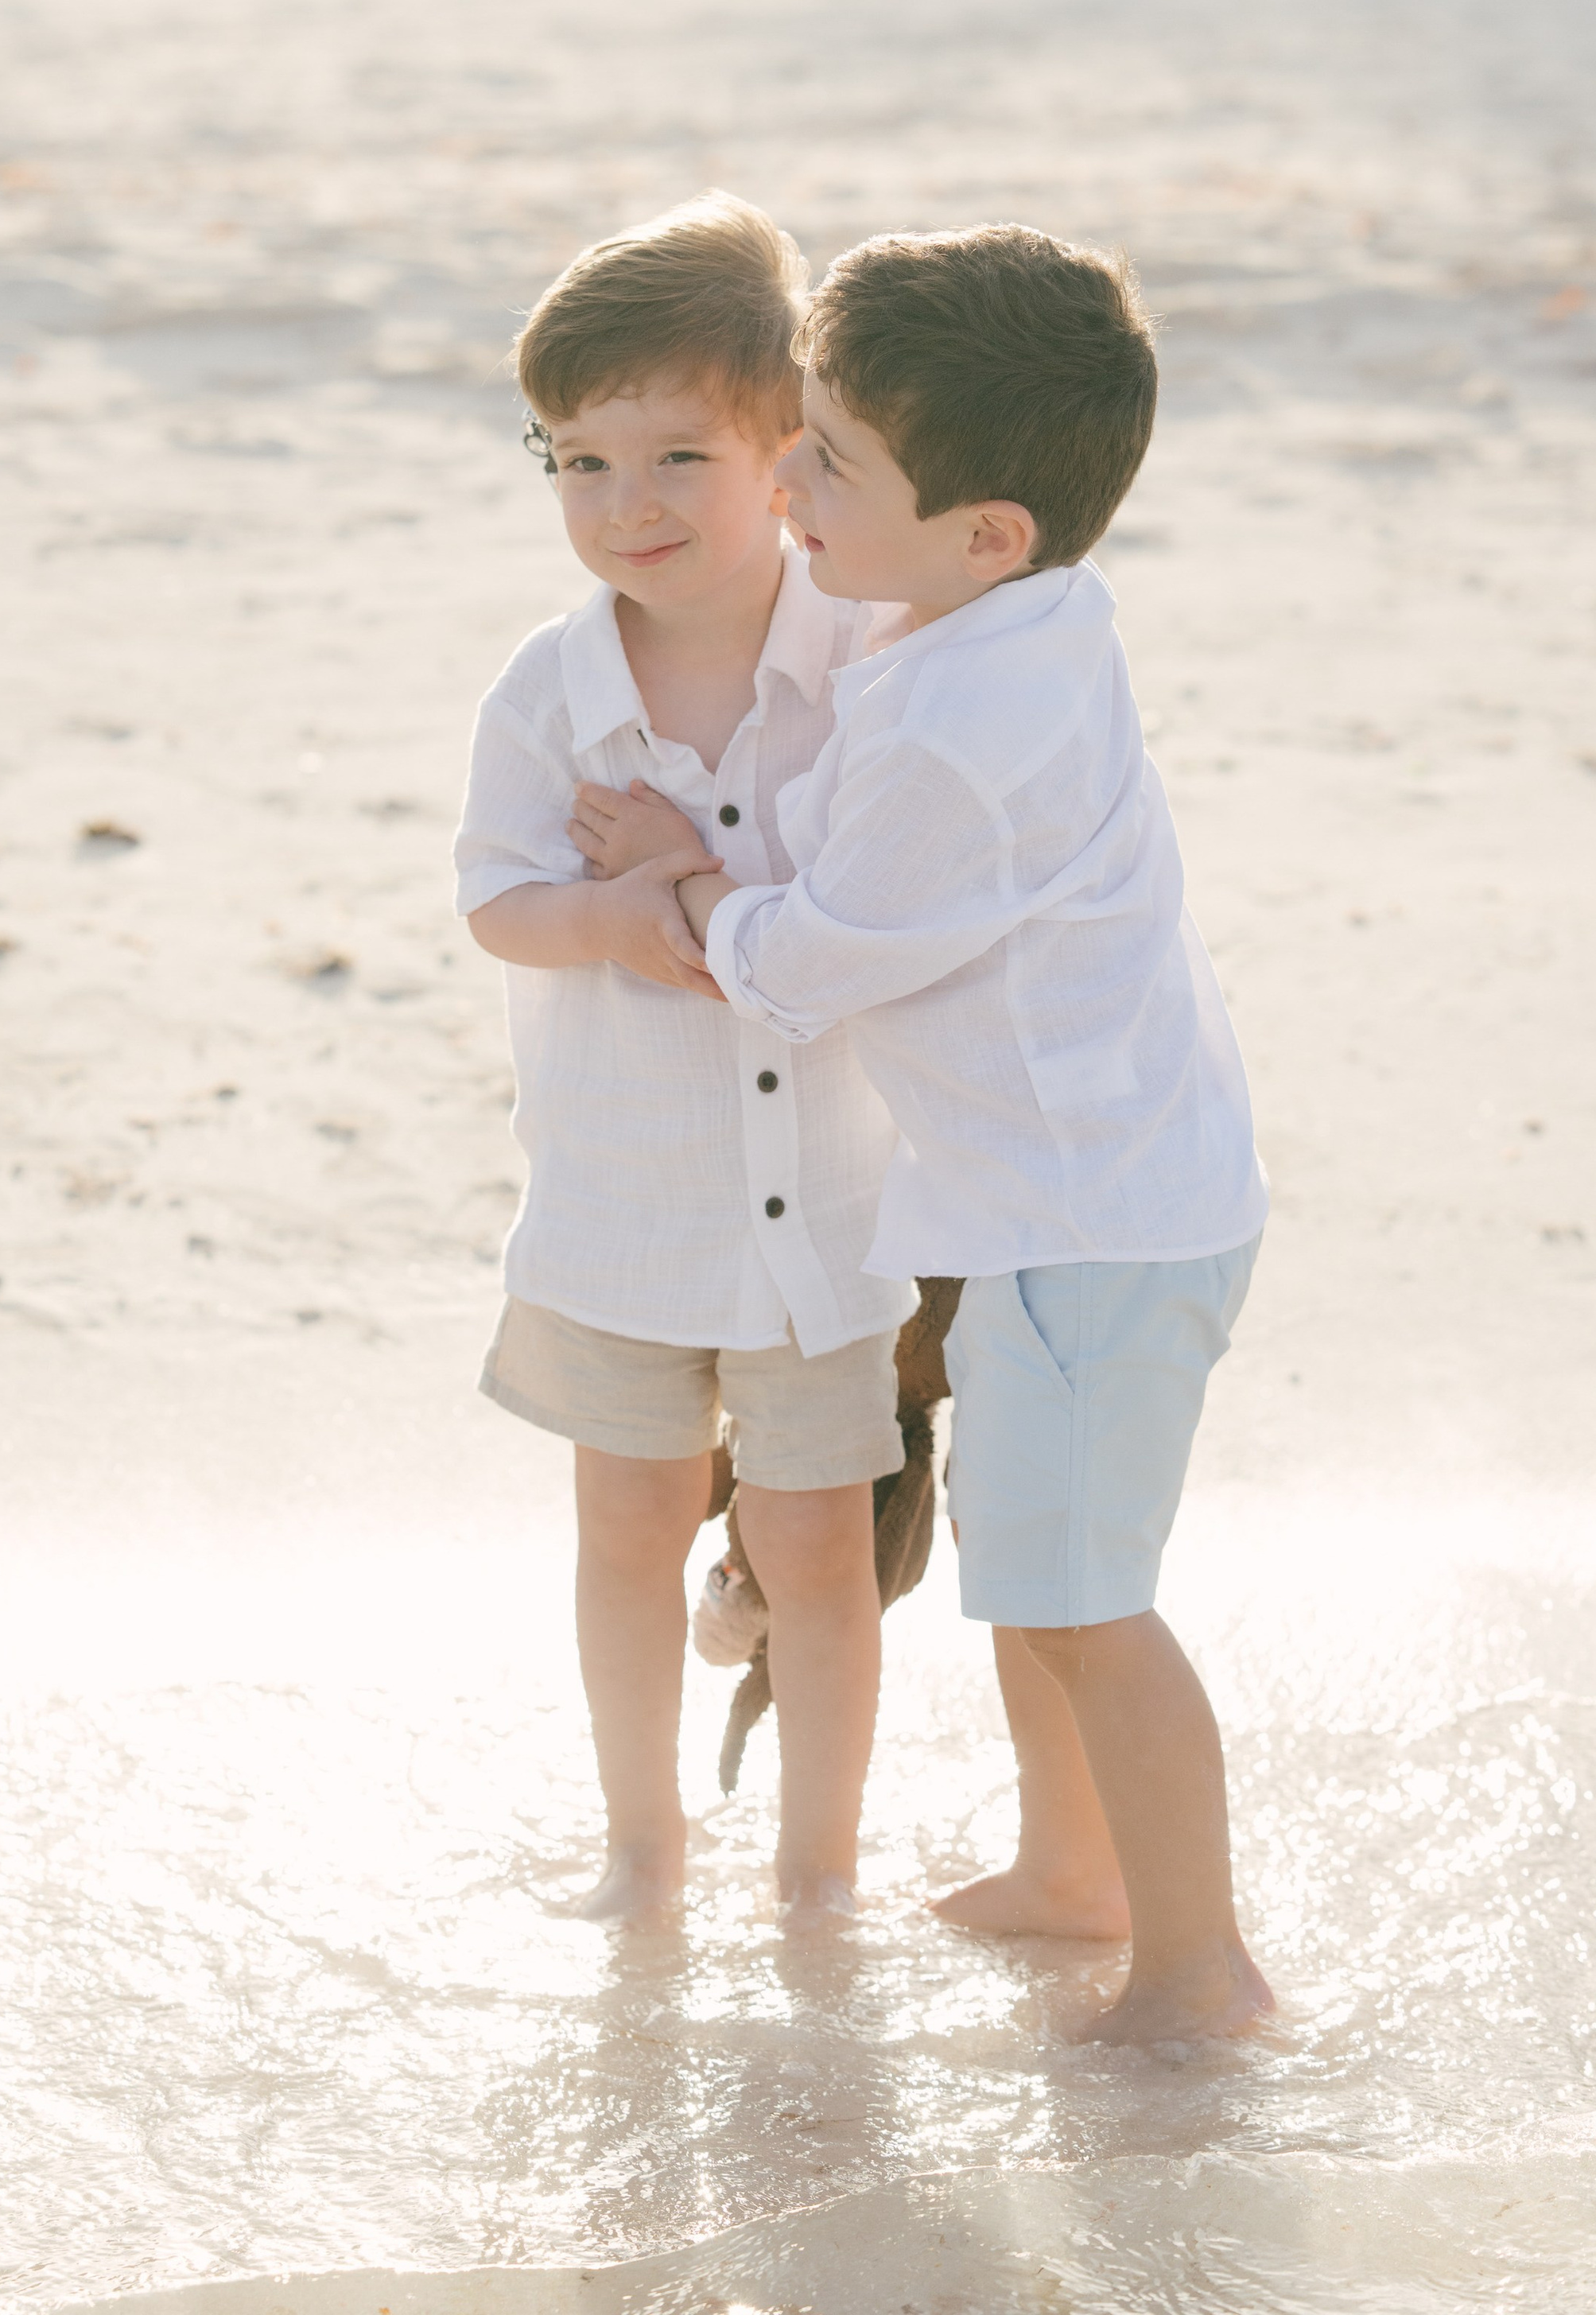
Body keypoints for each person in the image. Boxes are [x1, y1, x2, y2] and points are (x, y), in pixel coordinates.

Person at [571, 223, 1273, 2041]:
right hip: (1081, 1195)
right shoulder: (1001, 618)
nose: (785, 476)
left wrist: (689, 886)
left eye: (830, 462)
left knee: (1086, 1602)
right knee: (1031, 1571)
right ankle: (1071, 1870)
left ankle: (1197, 1963)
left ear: (985, 530)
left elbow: (811, 963)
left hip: (1090, 1226)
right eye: (795, 429)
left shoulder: (962, 728)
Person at [453, 192, 913, 1925]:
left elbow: (875, 910)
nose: (621, 507)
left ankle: (819, 1863)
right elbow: (499, 898)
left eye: (671, 459)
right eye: (575, 462)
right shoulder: (547, 686)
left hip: (831, 1212)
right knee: (630, 1526)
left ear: (785, 452)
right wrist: (625, 907)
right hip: (625, 1199)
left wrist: (687, 883)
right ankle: (643, 1841)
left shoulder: (868, 663)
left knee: (812, 1548)